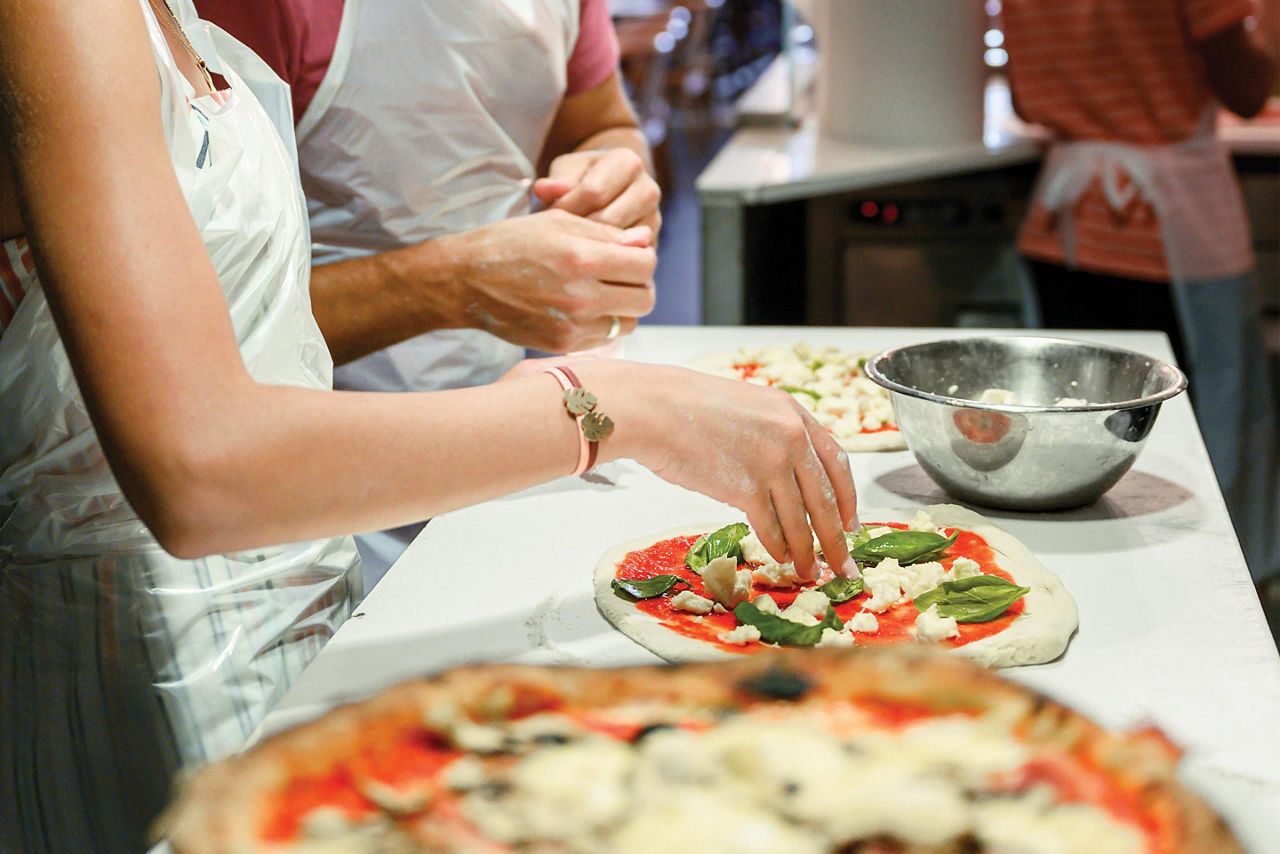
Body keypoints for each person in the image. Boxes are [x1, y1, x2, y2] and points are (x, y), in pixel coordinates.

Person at [0, 2, 858, 851]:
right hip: (139, 674)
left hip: (307, 616)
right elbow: (202, 470)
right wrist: (617, 406)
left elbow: (259, 337)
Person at [194, 0, 664, 590]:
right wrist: (453, 283)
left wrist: (613, 174)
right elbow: (212, 326)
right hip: (310, 486)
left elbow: (601, 122)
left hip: (509, 435)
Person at [1001, 0, 1280, 584]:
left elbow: (1027, 99)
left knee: (1072, 454)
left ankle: (1088, 593)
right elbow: (1249, 91)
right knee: (1186, 457)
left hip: (1067, 228)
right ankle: (1201, 601)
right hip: (1166, 232)